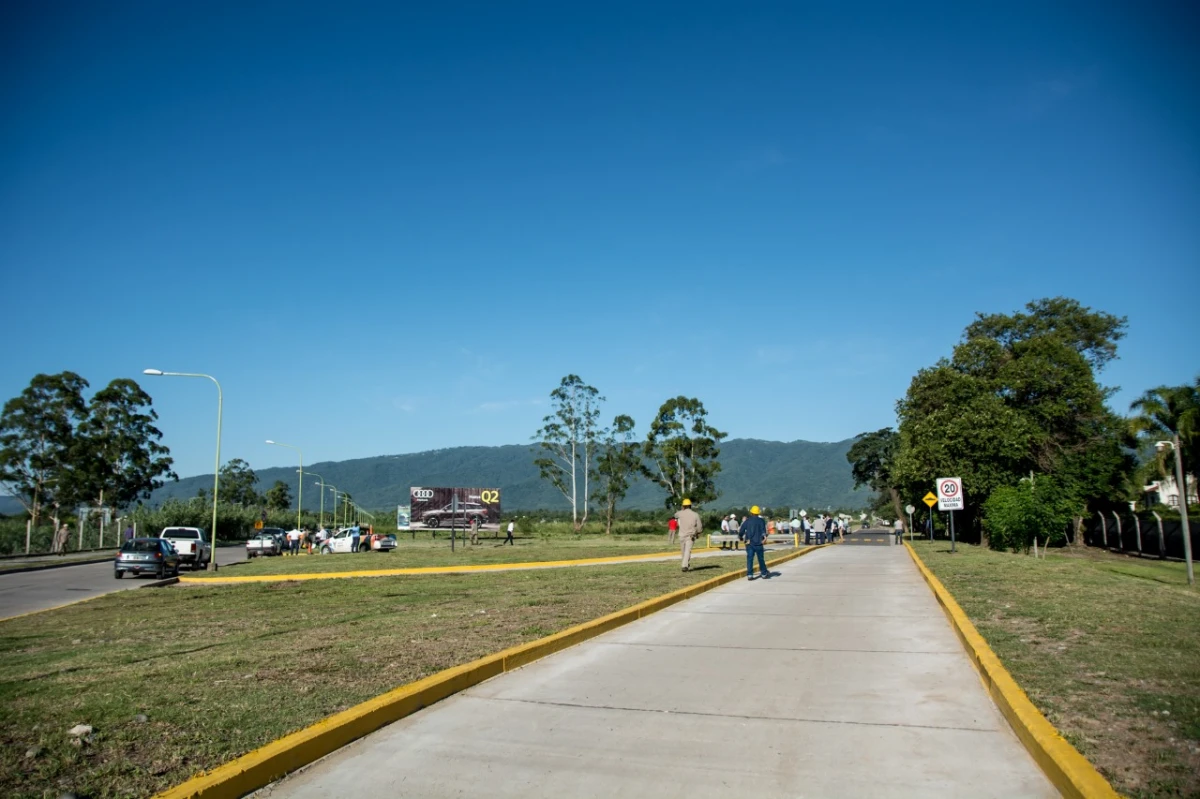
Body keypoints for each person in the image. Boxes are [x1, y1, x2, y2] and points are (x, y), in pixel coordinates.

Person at [739, 506, 769, 580]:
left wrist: (740, 537)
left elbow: (741, 530)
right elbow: (763, 531)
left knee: (750, 558)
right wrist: (764, 537)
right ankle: (764, 573)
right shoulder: (761, 521)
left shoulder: (747, 521)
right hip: (759, 542)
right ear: (758, 513)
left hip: (749, 543)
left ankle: (750, 574)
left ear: (751, 512)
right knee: (761, 559)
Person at [674, 498, 702, 572]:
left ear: (683, 506)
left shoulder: (680, 513)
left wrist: (681, 510)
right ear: (690, 506)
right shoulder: (695, 514)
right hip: (691, 536)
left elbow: (675, 515)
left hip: (681, 535)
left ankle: (685, 564)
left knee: (683, 551)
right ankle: (685, 565)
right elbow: (699, 526)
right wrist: (698, 532)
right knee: (687, 550)